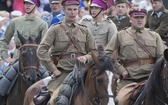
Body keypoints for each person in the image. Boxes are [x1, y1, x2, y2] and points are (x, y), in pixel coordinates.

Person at [23, 0, 97, 104]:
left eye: (75, 10)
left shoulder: (85, 30)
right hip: (62, 72)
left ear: (78, 11)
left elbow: (94, 52)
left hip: (83, 71)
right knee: (55, 100)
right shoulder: (55, 29)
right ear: (63, 10)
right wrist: (53, 69)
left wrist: (86, 57)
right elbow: (41, 50)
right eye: (69, 9)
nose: (72, 12)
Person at [104, 7, 165, 105]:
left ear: (145, 19)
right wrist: (120, 69)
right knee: (120, 101)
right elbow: (107, 54)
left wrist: (157, 71)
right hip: (128, 80)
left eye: (142, 17)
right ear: (130, 19)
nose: (140, 20)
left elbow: (162, 57)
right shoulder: (120, 35)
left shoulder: (154, 36)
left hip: (150, 78)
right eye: (136, 17)